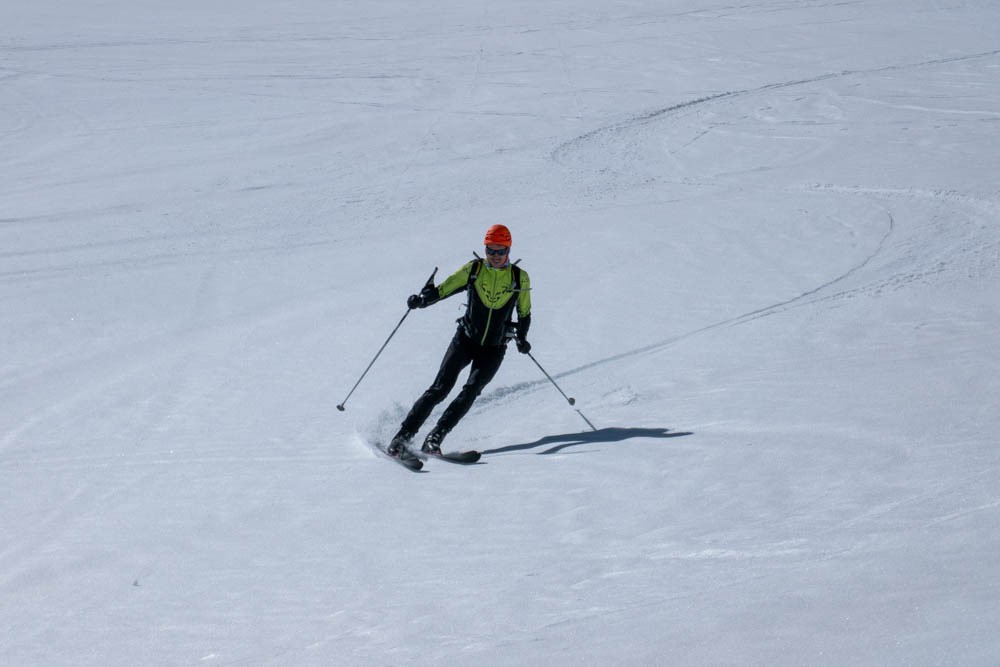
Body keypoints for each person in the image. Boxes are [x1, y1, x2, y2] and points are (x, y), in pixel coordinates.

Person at [388, 224, 531, 456]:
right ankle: (402, 437)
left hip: (494, 349)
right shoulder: (474, 270)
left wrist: (522, 339)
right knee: (440, 389)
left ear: (509, 250)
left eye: (500, 251)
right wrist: (422, 301)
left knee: (471, 390)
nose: (495, 256)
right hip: (465, 340)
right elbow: (444, 289)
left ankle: (434, 438)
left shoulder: (519, 278)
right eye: (490, 251)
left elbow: (525, 312)